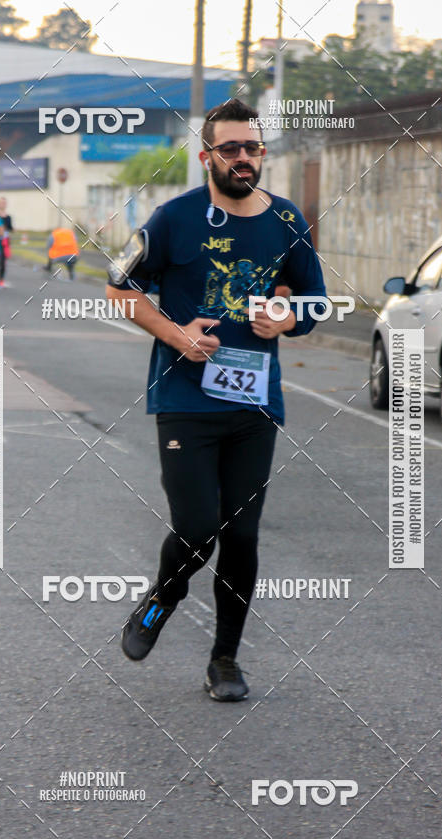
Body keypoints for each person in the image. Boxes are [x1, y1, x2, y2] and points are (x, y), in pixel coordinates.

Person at [106, 99, 326, 701]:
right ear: (207, 156)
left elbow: (316, 300)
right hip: (184, 398)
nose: (244, 158)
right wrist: (178, 335)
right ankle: (163, 597)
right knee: (199, 526)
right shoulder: (173, 218)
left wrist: (285, 318)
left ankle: (225, 659)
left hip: (255, 404)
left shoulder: (285, 221)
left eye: (253, 148)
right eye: (231, 149)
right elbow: (119, 289)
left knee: (243, 536)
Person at [0, 196, 13, 287]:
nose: (3, 204)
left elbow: (10, 228)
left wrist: (8, 228)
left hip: (4, 241)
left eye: (4, 203)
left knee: (2, 261)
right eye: (1, 202)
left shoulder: (8, 217)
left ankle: (1, 280)